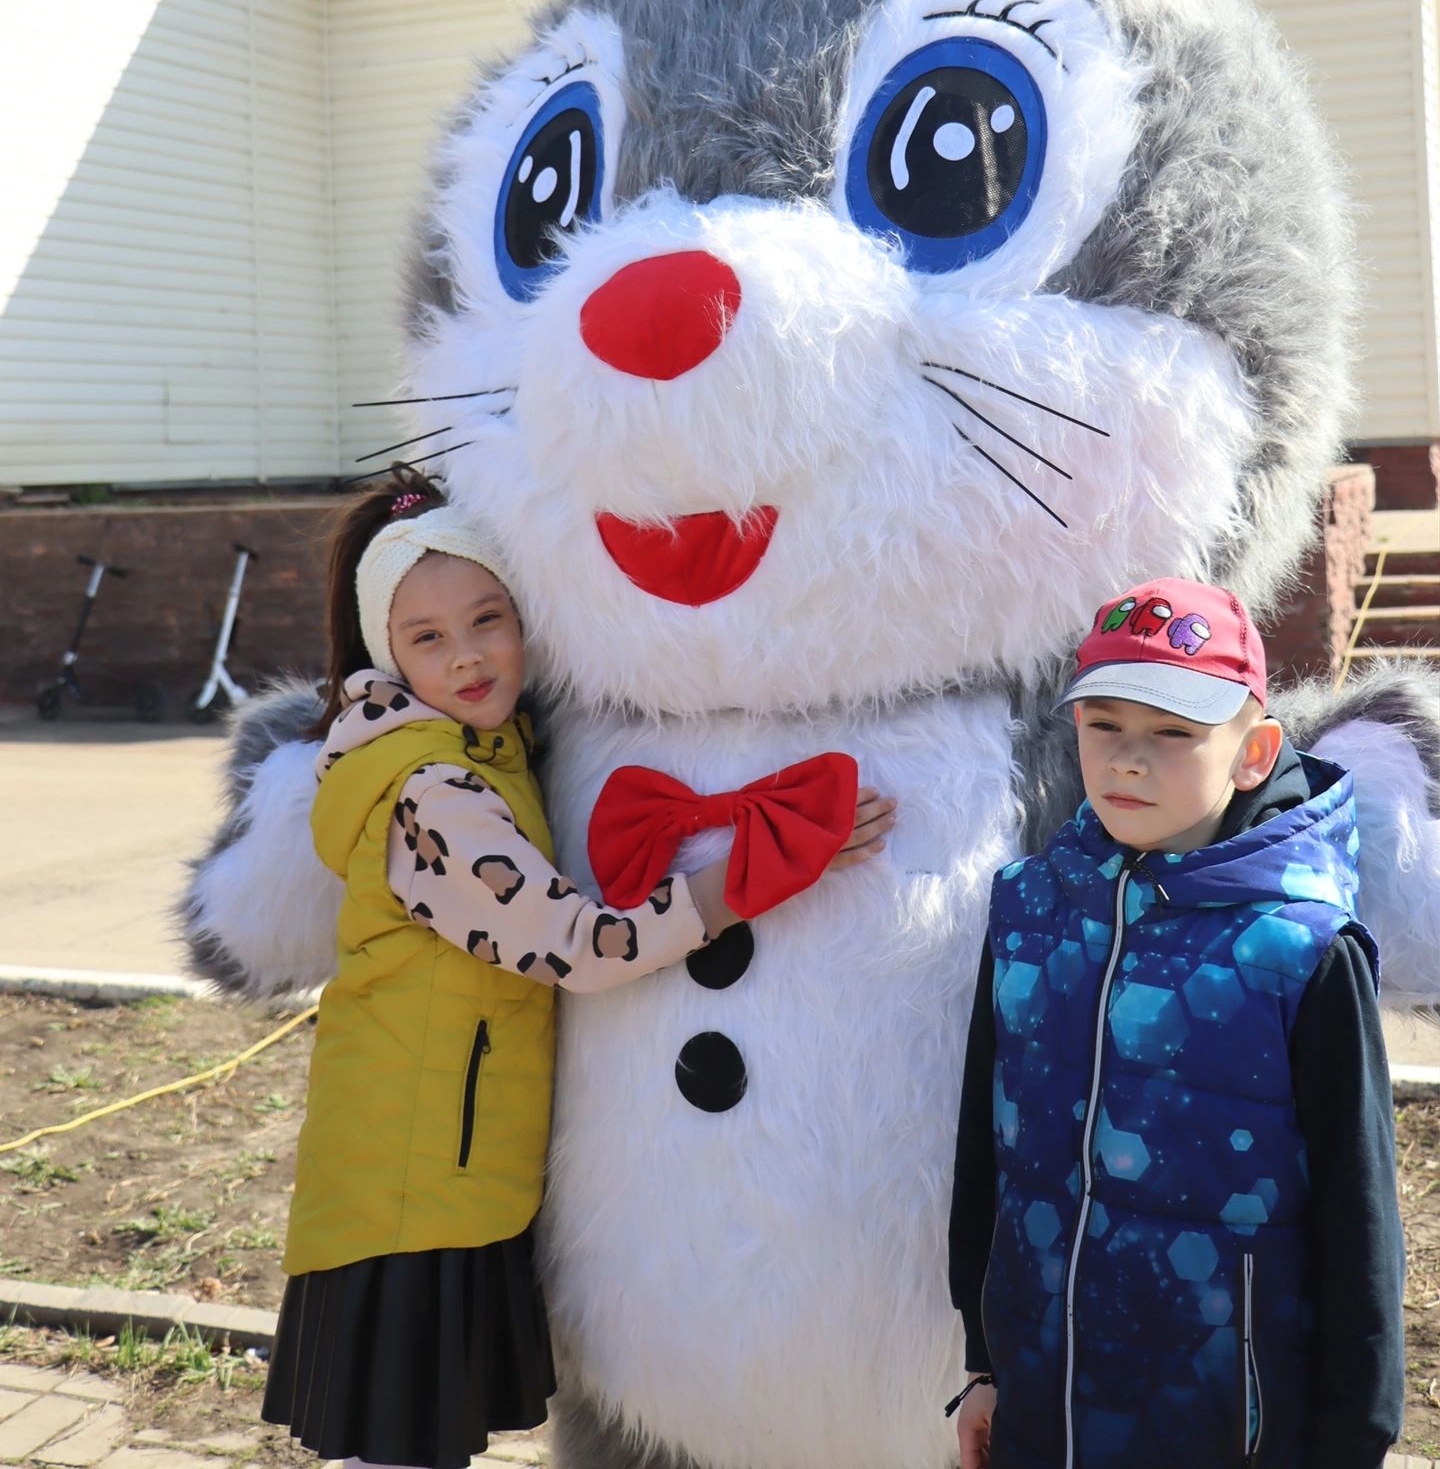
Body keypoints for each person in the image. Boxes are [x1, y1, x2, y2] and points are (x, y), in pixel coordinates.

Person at [263, 468, 895, 1469]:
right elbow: (578, 949)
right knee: (399, 1449)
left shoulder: (485, 745)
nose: (469, 657)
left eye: (488, 618)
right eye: (429, 638)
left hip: (447, 1162)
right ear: (390, 651)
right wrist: (751, 876)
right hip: (410, 1178)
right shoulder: (434, 790)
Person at [947, 578, 1405, 1469]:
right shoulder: (1028, 910)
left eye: (1173, 732)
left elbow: (1362, 1217)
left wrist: (1353, 1441)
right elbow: (985, 1149)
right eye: (1105, 723)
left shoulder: (1303, 951)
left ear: (1254, 751)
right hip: (1040, 1406)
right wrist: (983, 1362)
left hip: (1229, 1428)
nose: (1128, 759)